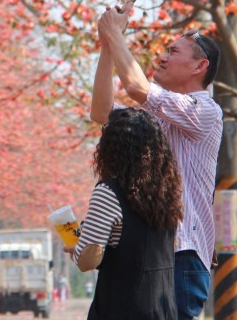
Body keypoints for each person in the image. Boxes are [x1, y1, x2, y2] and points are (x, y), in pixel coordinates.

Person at [90, 0, 222, 320]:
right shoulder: (156, 117)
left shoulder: (205, 110)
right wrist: (108, 45)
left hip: (183, 255)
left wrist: (117, 35)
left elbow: (136, 87)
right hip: (155, 252)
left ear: (199, 65)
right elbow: (101, 111)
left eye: (173, 51)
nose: (162, 58)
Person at [69, 107, 183, 319]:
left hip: (122, 309)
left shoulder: (108, 192)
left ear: (110, 149)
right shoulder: (168, 194)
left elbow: (87, 260)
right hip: (164, 309)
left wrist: (78, 248)